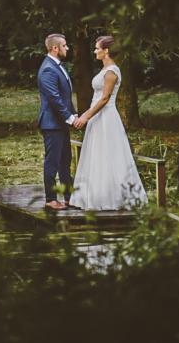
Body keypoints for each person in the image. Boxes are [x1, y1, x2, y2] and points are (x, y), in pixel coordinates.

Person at [70, 36, 149, 210]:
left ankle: (114, 198)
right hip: (97, 116)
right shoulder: (105, 69)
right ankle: (95, 195)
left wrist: (86, 116)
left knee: (109, 153)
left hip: (106, 117)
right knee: (97, 154)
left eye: (97, 48)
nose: (95, 51)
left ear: (106, 51)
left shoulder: (112, 71)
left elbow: (105, 98)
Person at [36, 33, 78, 210]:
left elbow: (65, 97)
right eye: (64, 45)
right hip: (52, 124)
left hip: (61, 123)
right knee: (52, 162)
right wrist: (70, 118)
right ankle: (51, 199)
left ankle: (69, 197)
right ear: (55, 48)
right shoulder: (48, 69)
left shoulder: (58, 66)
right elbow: (54, 98)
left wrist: (73, 114)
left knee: (65, 161)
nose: (67, 48)